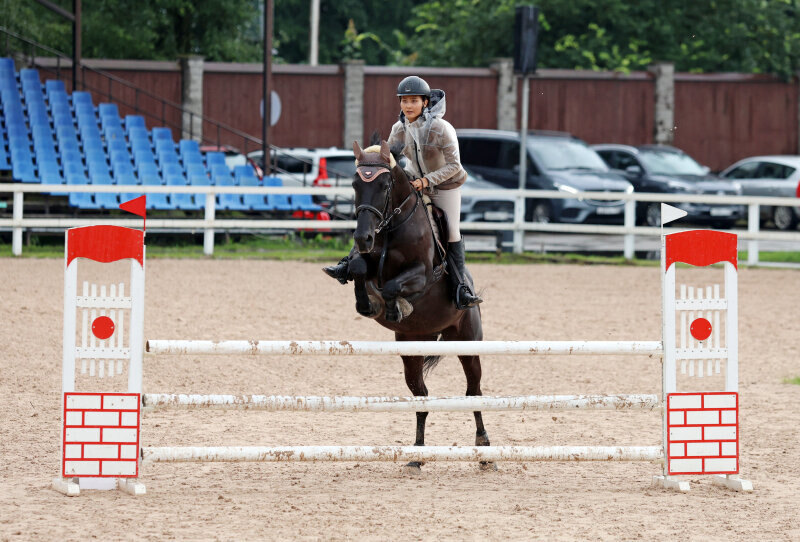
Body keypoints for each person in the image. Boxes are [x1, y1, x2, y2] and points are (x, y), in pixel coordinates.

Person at [323, 75, 482, 310]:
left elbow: (454, 166)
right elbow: (390, 160)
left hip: (444, 186)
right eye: (404, 101)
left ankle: (461, 288)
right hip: (413, 182)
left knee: (451, 232)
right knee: (380, 214)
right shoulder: (399, 128)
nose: (408, 105)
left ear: (425, 102)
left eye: (414, 101)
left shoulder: (442, 128)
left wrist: (426, 181)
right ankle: (348, 263)